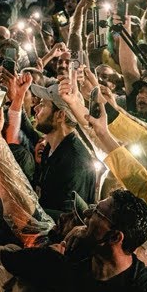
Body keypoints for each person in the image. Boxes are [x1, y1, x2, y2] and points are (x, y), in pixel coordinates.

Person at [29, 84, 97, 216]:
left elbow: (69, 217)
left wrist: (28, 211)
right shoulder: (51, 147)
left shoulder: (75, 163)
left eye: (42, 105)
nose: (35, 108)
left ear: (60, 115)